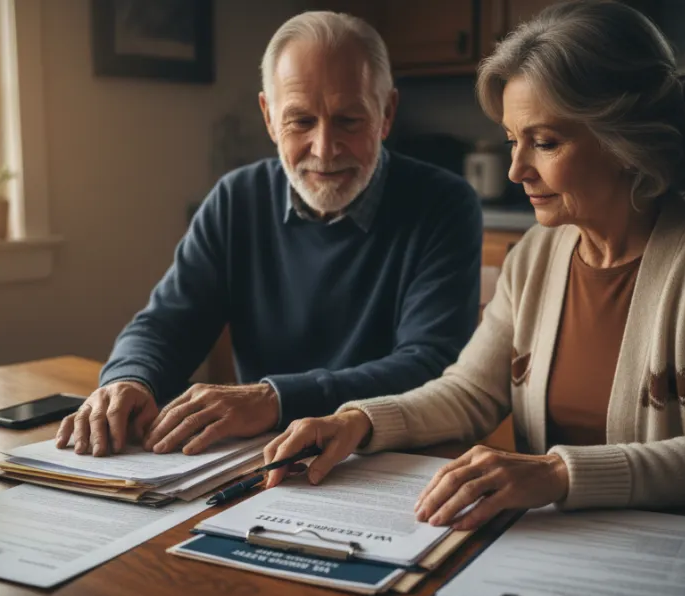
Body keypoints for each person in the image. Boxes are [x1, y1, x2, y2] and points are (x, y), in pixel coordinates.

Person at [261, 0, 685, 531]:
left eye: (544, 142)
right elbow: (468, 393)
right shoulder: (535, 254)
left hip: (681, 548)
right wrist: (357, 420)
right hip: (555, 539)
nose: (515, 169)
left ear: (626, 140)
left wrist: (558, 473)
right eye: (512, 141)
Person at [56, 11, 482, 457]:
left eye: (349, 121)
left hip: (389, 459)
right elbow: (166, 323)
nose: (324, 148)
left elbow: (429, 367)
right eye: (301, 122)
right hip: (262, 459)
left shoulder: (444, 205)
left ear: (387, 113)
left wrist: (274, 399)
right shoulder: (236, 198)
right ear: (269, 117)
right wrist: (130, 377)